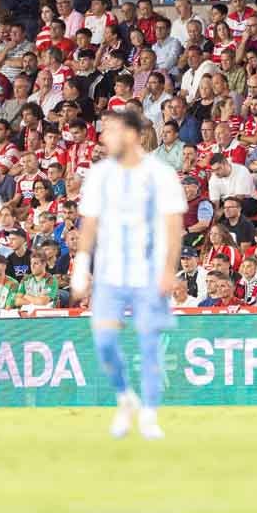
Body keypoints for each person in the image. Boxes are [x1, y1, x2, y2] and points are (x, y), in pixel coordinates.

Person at [72, 109, 185, 440]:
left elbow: (173, 225)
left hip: (149, 273)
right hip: (110, 273)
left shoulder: (160, 174)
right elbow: (89, 222)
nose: (104, 138)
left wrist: (168, 270)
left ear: (132, 135)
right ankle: (125, 397)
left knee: (150, 343)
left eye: (111, 131)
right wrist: (82, 263)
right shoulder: (99, 175)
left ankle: (150, 414)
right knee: (104, 341)